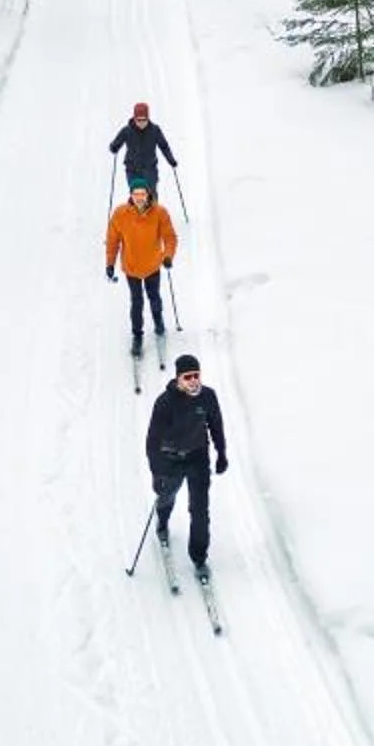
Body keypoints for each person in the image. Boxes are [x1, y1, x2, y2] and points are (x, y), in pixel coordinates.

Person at [146, 353, 230, 580]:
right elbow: (152, 442)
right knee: (167, 496)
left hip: (197, 458)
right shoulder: (165, 403)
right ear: (178, 379)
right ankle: (162, 522)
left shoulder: (208, 397)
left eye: (197, 375)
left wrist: (221, 453)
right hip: (170, 460)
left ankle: (199, 557)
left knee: (200, 510)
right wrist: (157, 472)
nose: (194, 381)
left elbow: (216, 426)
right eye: (188, 377)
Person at [103, 181, 178, 353]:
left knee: (154, 297)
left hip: (152, 265)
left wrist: (168, 256)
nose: (139, 198)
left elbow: (170, 237)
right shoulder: (120, 214)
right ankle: (137, 335)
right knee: (136, 302)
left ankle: (159, 322)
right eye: (135, 194)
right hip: (132, 267)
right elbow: (112, 240)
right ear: (131, 195)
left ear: (148, 195)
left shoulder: (160, 212)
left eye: (142, 194)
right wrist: (110, 263)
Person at [108, 103, 178, 194]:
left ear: (148, 118)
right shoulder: (127, 131)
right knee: (136, 195)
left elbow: (164, 146)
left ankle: (153, 207)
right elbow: (116, 143)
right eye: (138, 120)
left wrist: (171, 160)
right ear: (134, 118)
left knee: (151, 194)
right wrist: (114, 147)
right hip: (132, 169)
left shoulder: (155, 130)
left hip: (150, 169)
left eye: (144, 120)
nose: (141, 123)